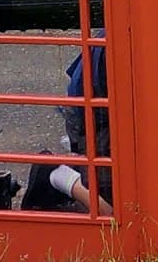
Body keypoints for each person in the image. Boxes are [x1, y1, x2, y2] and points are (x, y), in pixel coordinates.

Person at [21, 34, 114, 216]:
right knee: (117, 212)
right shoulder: (115, 43)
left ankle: (76, 166)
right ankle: (55, 174)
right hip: (94, 115)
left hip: (97, 106)